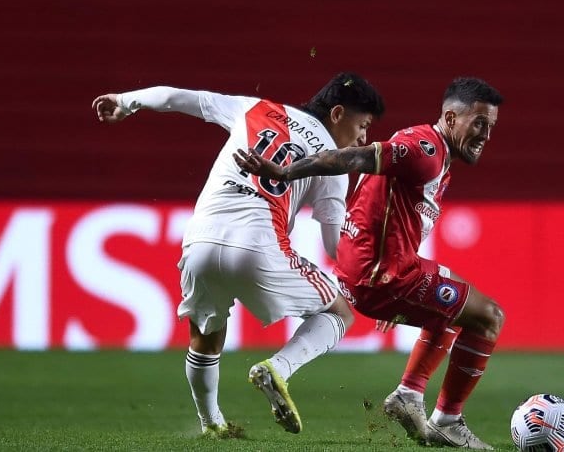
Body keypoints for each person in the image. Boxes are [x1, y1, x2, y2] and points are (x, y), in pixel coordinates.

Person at [91, 73, 385, 437]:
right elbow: (334, 246)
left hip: (199, 240)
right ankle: (279, 368)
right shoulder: (334, 162)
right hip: (257, 244)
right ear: (338, 114)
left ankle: (211, 423)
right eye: (363, 125)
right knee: (339, 311)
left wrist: (124, 100)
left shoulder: (255, 108)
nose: (363, 139)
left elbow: (178, 96)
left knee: (205, 335)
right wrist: (376, 266)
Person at [235, 77, 504, 450]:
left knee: (457, 301)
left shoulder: (435, 153)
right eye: (479, 123)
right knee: (489, 316)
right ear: (450, 117)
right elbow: (354, 157)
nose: (485, 135)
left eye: (490, 126)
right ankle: (448, 419)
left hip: (379, 268)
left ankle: (409, 396)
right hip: (382, 275)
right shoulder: (424, 151)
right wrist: (285, 171)